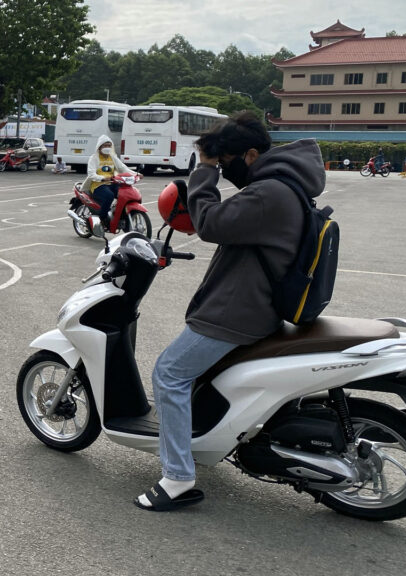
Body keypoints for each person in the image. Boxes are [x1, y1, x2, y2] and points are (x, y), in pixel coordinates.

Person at [135, 112, 326, 511]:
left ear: (251, 155)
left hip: (238, 313)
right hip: (256, 305)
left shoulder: (270, 192)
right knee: (195, 376)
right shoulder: (283, 185)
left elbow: (210, 224)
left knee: (169, 373)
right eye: (218, 164)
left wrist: (203, 171)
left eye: (226, 162)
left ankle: (177, 477)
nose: (224, 170)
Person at [81, 135, 135, 229]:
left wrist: (136, 174)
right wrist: (103, 178)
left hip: (112, 183)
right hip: (97, 185)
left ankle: (120, 217)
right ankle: (102, 219)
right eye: (105, 145)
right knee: (109, 196)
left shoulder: (112, 157)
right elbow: (91, 174)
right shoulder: (94, 158)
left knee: (125, 195)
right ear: (99, 147)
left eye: (109, 145)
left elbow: (123, 168)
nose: (107, 148)